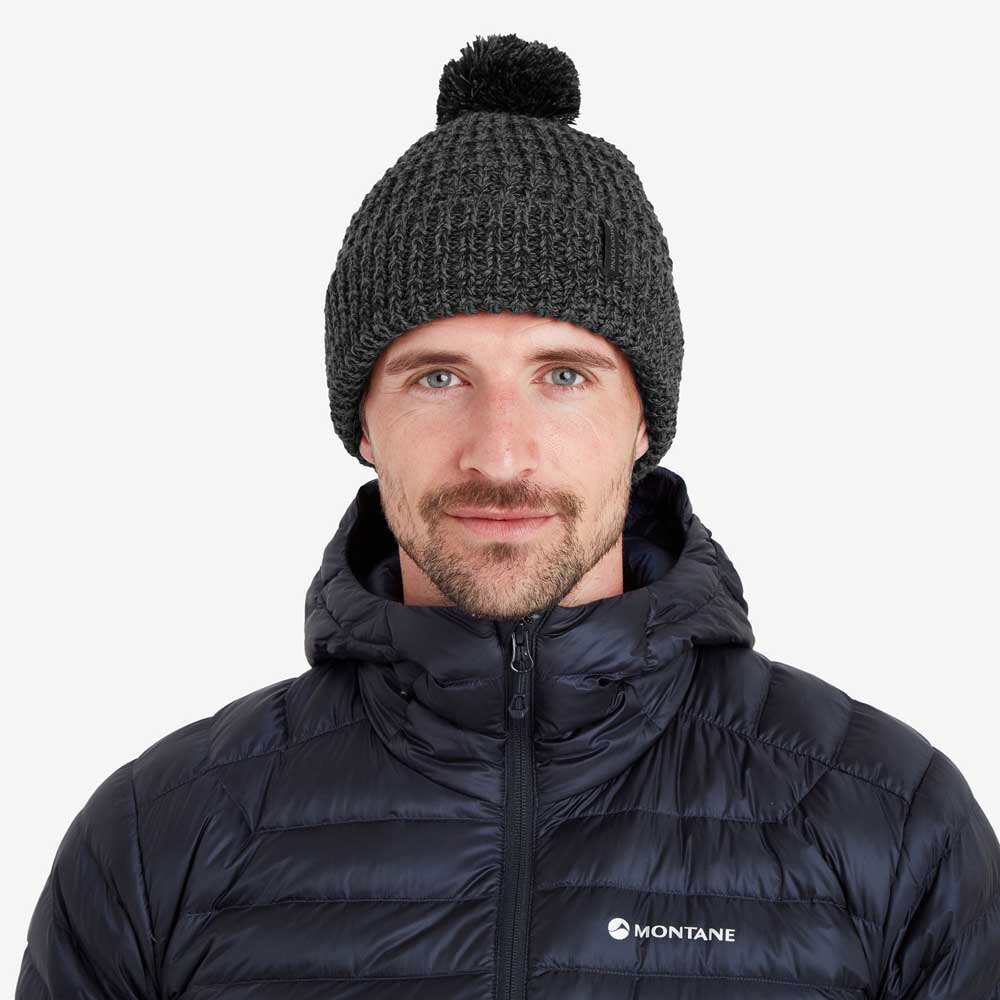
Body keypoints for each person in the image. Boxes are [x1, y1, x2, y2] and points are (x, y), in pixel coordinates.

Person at [16, 33, 999, 1000]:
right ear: (363, 423)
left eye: (563, 376)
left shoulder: (891, 823)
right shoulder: (155, 842)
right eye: (437, 377)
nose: (498, 453)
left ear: (643, 420)